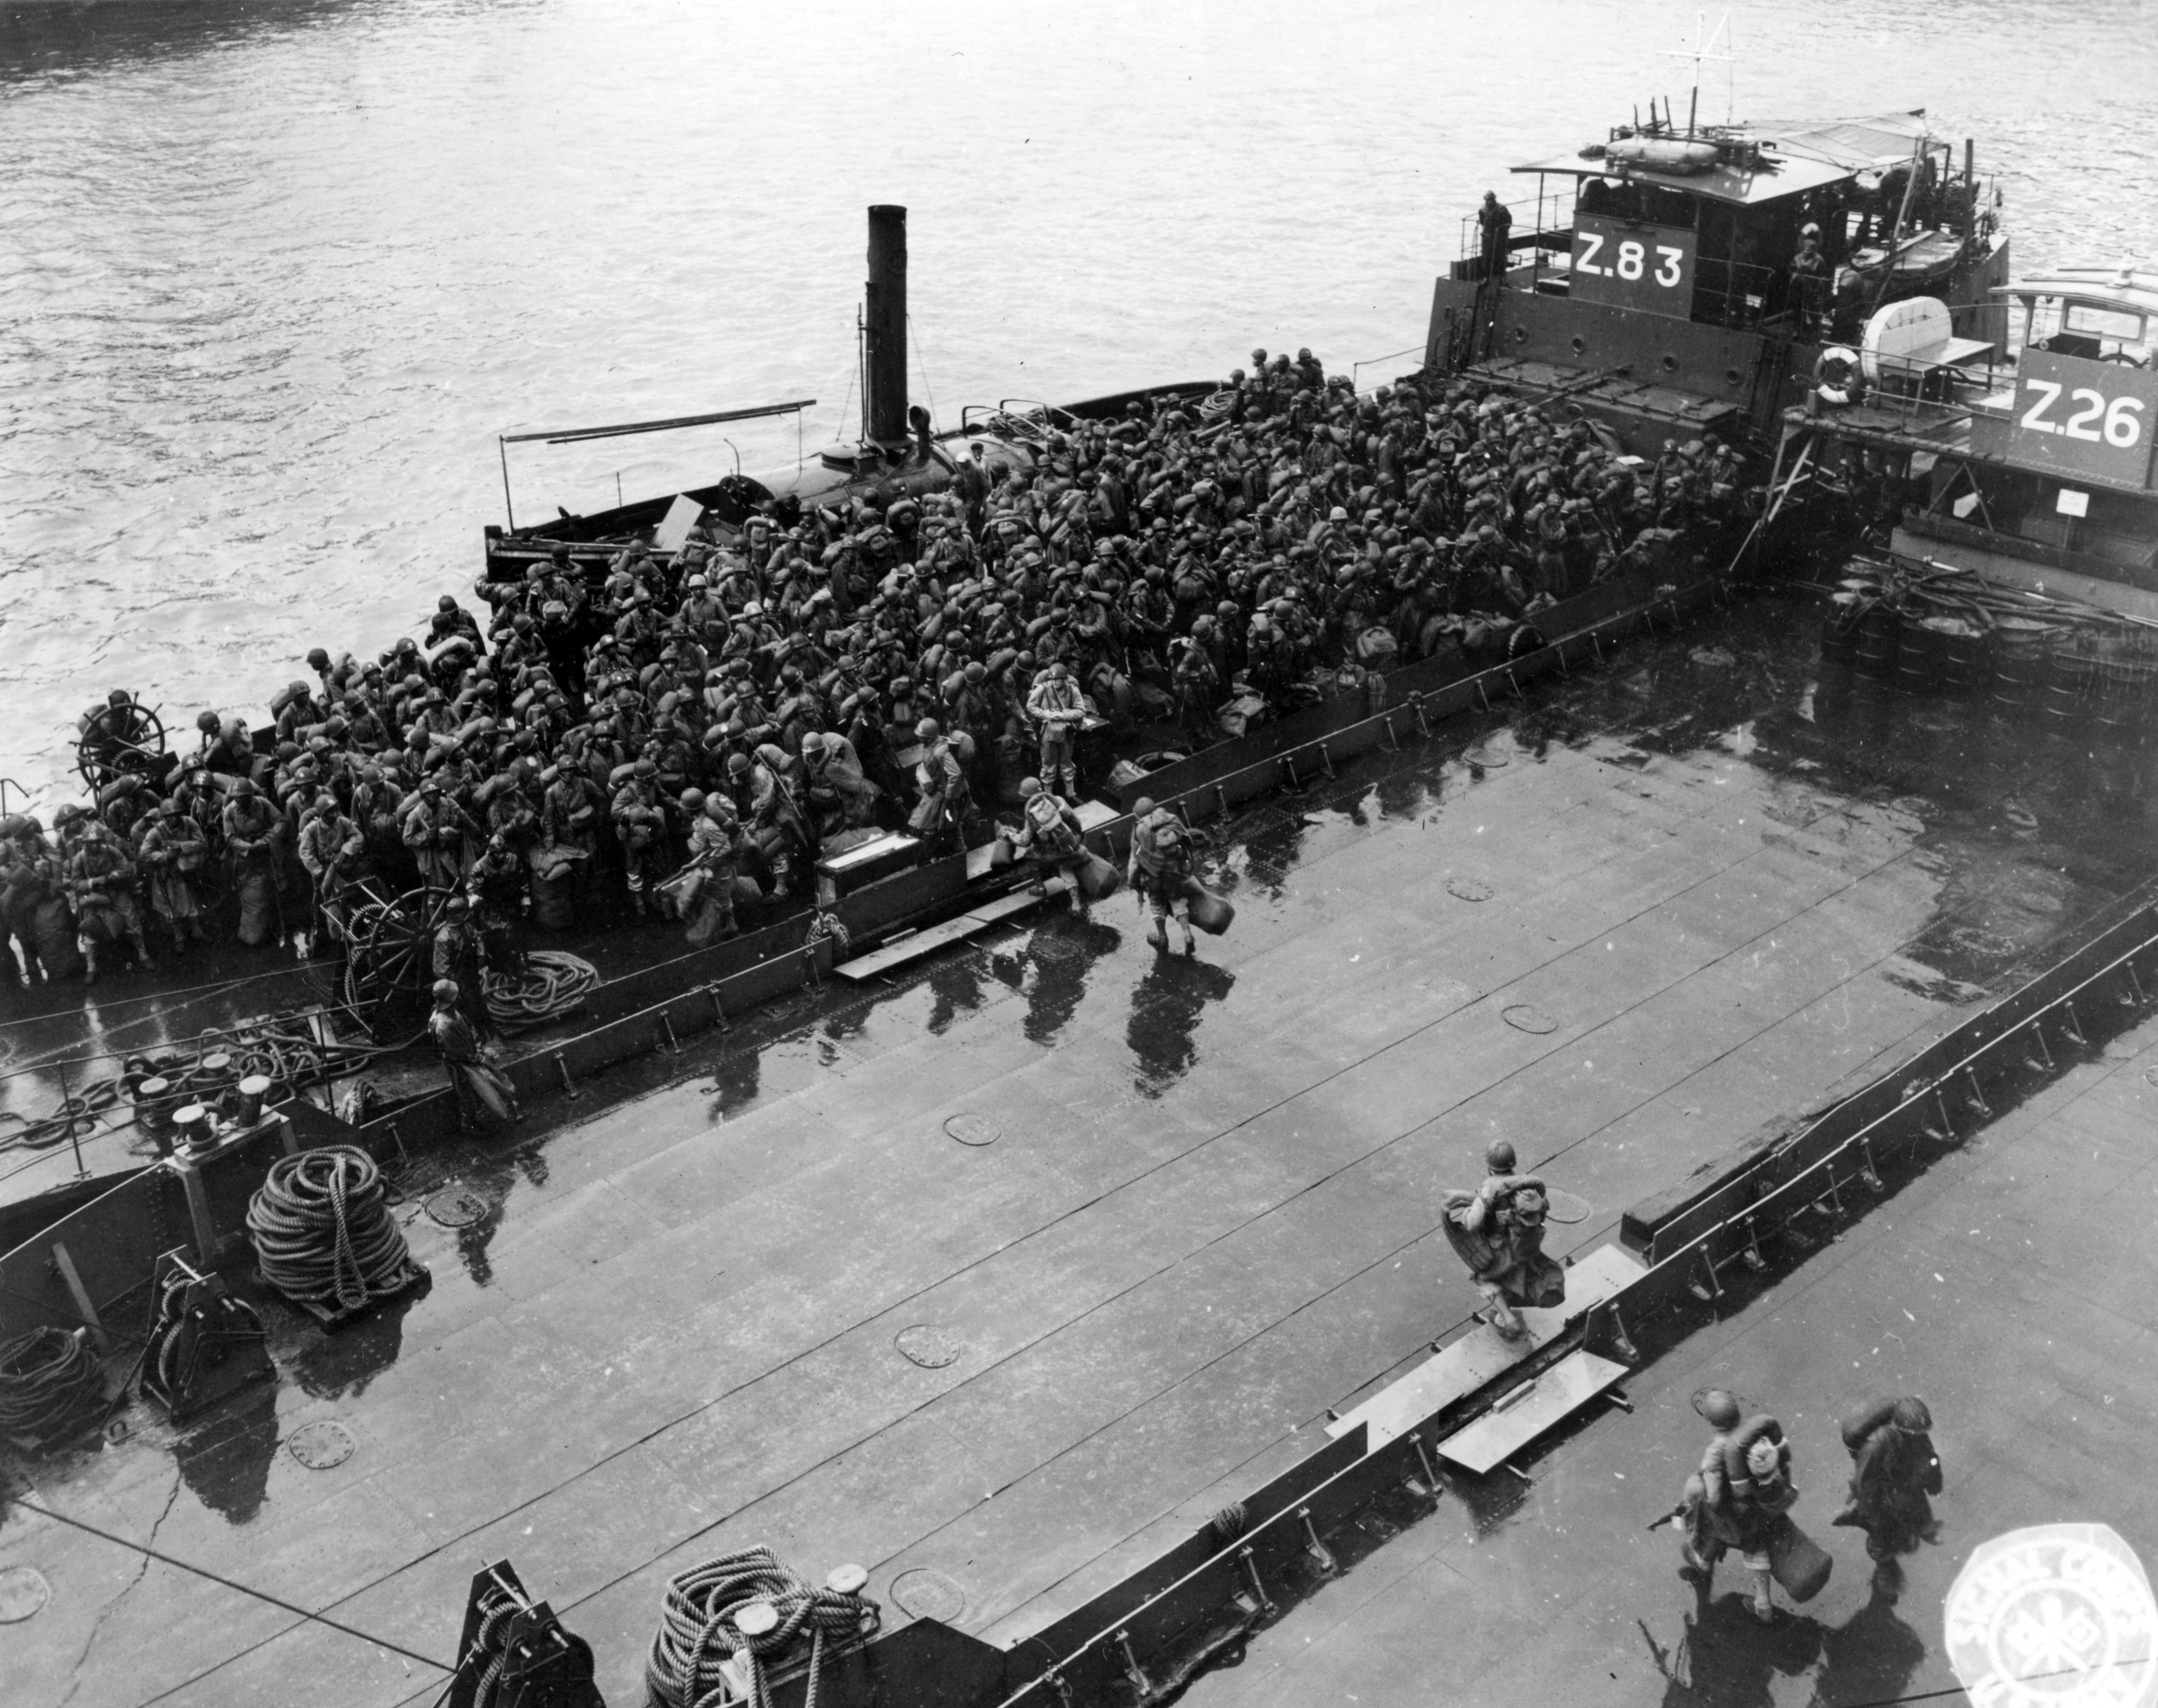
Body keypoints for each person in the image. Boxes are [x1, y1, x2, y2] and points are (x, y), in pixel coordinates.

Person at [1439, 1139, 1564, 1338]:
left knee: (1482, 1277)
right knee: (1515, 1276)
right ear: (1513, 1164)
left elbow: (1473, 1223)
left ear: (1490, 1167)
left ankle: (1508, 1319)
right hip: (1524, 1245)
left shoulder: (1490, 1189)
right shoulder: (1525, 1186)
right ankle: (1508, 1308)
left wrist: (1467, 1210)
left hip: (1501, 1250)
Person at [1832, 1396, 1941, 1578]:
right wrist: (1871, 1514)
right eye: (1914, 1435)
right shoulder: (1875, 1447)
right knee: (1881, 1532)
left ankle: (1925, 1528)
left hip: (1902, 1475)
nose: (1920, 1437)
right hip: (1880, 1485)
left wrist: (1934, 1480)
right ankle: (1884, 1568)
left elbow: (1929, 1456)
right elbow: (1865, 1483)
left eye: (1921, 1433)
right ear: (1899, 1429)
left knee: (1918, 1499)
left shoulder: (1916, 1433)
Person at [65, 821, 152, 982]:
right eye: (90, 843)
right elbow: (76, 884)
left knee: (132, 920)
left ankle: (143, 953)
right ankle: (91, 966)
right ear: (84, 844)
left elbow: (128, 869)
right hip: (94, 896)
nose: (94, 846)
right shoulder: (80, 859)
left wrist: (115, 875)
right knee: (89, 928)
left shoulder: (112, 852)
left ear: (102, 842)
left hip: (116, 892)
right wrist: (94, 882)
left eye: (97, 842)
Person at [429, 978, 520, 1129]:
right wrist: (474, 1058)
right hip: (460, 1065)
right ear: (450, 1001)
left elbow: (468, 1033)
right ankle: (468, 1126)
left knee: (497, 1080)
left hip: (470, 1057)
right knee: (467, 1096)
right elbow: (453, 1053)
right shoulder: (443, 1026)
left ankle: (501, 1113)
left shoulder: (453, 1013)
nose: (460, 997)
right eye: (456, 996)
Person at [1126, 795, 1197, 955]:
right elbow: (1188, 840)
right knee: (1178, 901)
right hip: (1175, 872)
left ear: (1137, 815)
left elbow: (1136, 860)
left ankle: (1162, 937)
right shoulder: (1171, 819)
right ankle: (1187, 934)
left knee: (1157, 906)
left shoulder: (1140, 829)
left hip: (1154, 878)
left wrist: (1134, 883)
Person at [1025, 659, 1087, 802]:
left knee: (1067, 762)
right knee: (1048, 765)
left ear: (1064, 679)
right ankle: (1049, 795)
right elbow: (1030, 706)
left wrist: (1064, 715)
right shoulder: (1042, 689)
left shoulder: (1073, 690)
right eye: (1052, 679)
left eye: (1057, 680)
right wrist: (1045, 714)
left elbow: (1081, 711)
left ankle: (1071, 793)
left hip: (1066, 731)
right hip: (1048, 730)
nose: (1054, 682)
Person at [1477, 190, 1513, 278]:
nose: (1490, 202)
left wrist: (1503, 232)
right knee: (1487, 257)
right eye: (1488, 200)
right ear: (1485, 200)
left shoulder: (1502, 208)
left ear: (1495, 199)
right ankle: (1487, 277)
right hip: (1487, 237)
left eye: (1492, 200)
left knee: (1500, 256)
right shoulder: (1482, 210)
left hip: (1500, 236)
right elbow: (1482, 222)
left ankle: (1501, 277)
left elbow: (1509, 221)